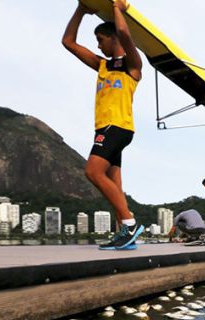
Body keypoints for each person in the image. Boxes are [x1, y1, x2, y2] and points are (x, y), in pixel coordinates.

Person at [62, 0, 144, 250]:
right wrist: (80, 10)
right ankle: (125, 236)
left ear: (111, 38)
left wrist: (119, 8)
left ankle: (129, 224)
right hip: (105, 129)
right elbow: (68, 42)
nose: (98, 45)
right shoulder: (102, 66)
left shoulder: (133, 67)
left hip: (117, 127)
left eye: (100, 39)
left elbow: (124, 34)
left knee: (92, 172)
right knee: (115, 185)